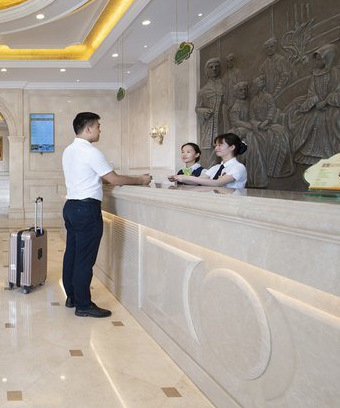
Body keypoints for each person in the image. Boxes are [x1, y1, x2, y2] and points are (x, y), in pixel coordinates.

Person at [62, 112, 151, 318]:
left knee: (72, 254)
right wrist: (140, 180)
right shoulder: (91, 152)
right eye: (98, 126)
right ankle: (83, 305)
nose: (100, 130)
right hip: (86, 209)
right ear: (88, 129)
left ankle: (72, 297)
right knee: (84, 260)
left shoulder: (69, 150)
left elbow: (92, 176)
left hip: (71, 207)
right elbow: (114, 179)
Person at [172, 132, 248, 190]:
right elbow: (197, 181)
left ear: (232, 147)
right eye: (216, 145)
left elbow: (218, 183)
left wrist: (186, 177)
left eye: (220, 145)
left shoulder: (238, 167)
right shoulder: (216, 168)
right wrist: (177, 178)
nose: (216, 148)